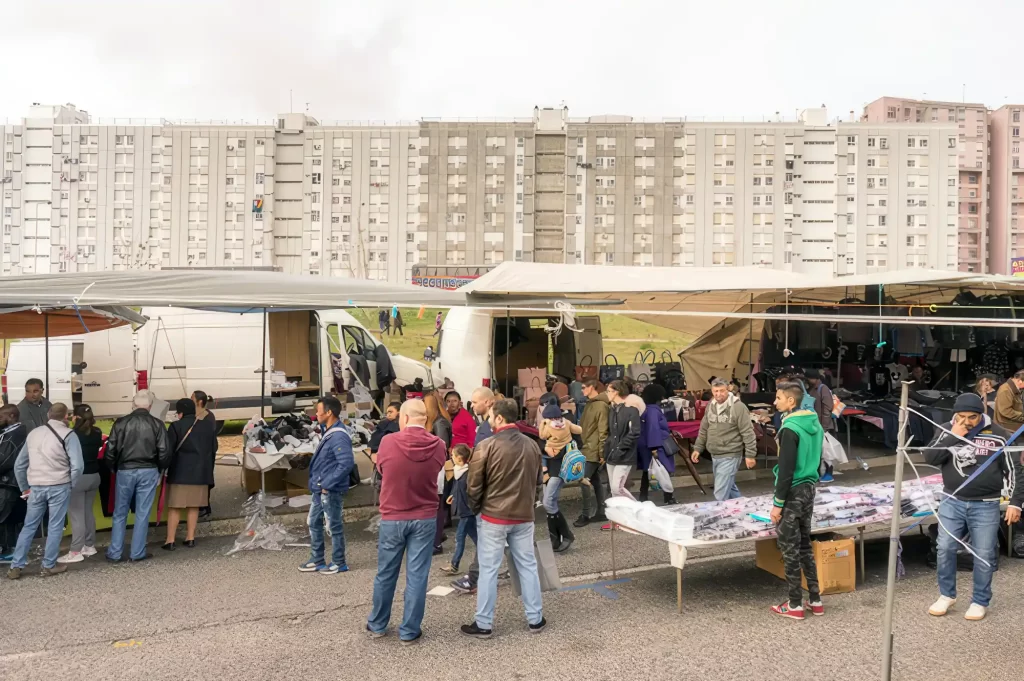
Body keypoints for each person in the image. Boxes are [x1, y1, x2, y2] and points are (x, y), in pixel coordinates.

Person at [924, 393, 1023, 621]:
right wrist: (952, 436)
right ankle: (946, 595)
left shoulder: (1000, 435)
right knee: (945, 547)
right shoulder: (946, 428)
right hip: (952, 500)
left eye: (972, 417)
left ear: (982, 414)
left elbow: (1015, 470)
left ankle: (980, 600)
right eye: (961, 416)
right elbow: (929, 457)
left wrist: (1015, 503)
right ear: (955, 415)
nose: (967, 421)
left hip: (986, 504)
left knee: (984, 553)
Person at [461, 398, 546, 638]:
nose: (488, 421)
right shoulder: (532, 445)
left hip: (494, 515)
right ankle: (535, 618)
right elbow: (538, 483)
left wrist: (477, 508)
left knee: (489, 569)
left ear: (499, 418)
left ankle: (484, 623)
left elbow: (474, 485)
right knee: (527, 566)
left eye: (490, 416)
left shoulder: (486, 445)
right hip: (524, 515)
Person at [367, 399, 446, 644]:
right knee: (417, 576)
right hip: (424, 517)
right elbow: (439, 467)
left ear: (403, 418)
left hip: (393, 515)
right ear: (426, 420)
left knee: (386, 573)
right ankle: (410, 629)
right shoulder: (439, 445)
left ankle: (378, 624)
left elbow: (382, 468)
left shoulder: (388, 442)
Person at [7, 403, 83, 579]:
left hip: (36, 487)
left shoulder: (33, 434)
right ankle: (48, 565)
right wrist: (72, 484)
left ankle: (16, 566)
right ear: (66, 416)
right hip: (59, 485)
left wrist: (24, 488)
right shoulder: (69, 434)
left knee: (29, 526)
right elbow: (77, 466)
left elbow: (20, 464)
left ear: (49, 415)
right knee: (55, 526)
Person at [769, 382, 824, 620]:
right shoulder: (815, 424)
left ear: (791, 402)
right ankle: (815, 599)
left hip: (792, 492)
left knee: (789, 548)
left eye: (778, 398)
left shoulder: (790, 429)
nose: (775, 402)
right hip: (810, 488)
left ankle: (794, 604)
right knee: (805, 545)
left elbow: (786, 470)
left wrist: (778, 504)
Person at [105, 390, 170, 563]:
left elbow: (110, 449)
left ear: (133, 405)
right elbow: (164, 451)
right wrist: (160, 470)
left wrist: (113, 468)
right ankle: (137, 552)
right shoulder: (157, 424)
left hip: (125, 470)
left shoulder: (120, 423)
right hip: (149, 470)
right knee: (143, 512)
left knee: (120, 512)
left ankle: (115, 552)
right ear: (149, 406)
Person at [298, 395, 354, 574]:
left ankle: (339, 562)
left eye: (318, 410)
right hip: (320, 488)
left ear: (329, 412)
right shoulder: (329, 431)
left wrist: (327, 484)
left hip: (329, 489)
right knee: (314, 522)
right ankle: (317, 559)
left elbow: (346, 463)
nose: (316, 413)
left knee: (333, 526)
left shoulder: (338, 436)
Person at [162, 399, 218, 551]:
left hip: (180, 472)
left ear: (180, 413)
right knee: (193, 506)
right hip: (201, 473)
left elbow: (168, 450)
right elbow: (214, 448)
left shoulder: (175, 426)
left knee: (175, 507)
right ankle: (190, 538)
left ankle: (170, 540)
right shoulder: (208, 426)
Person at [691, 378, 757, 501]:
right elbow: (704, 428)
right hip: (715, 454)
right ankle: (741, 510)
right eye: (715, 391)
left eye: (722, 391)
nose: (718, 394)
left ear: (729, 389)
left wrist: (750, 455)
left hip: (731, 454)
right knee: (729, 487)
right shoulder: (711, 405)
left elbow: (748, 432)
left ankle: (718, 517)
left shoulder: (738, 407)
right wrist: (697, 448)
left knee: (720, 492)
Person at [57, 405, 104, 563]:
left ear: (75, 417)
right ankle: (89, 546)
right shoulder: (97, 432)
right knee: (87, 512)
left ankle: (76, 551)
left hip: (79, 477)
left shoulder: (72, 434)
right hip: (94, 476)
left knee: (76, 515)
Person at [538, 402, 581, 552]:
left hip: (559, 467)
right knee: (550, 501)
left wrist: (556, 449)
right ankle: (555, 540)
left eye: (543, 404)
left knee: (548, 502)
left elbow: (577, 442)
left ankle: (566, 534)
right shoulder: (548, 423)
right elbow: (541, 441)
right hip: (548, 468)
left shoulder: (562, 422)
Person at [575, 379, 610, 528]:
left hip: (592, 448)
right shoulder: (592, 403)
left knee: (583, 480)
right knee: (594, 480)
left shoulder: (600, 405)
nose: (582, 390)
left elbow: (603, 431)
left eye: (584, 387)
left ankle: (586, 514)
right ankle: (601, 511)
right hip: (588, 447)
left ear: (592, 387)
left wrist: (602, 453)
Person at [637, 384, 677, 505]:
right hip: (657, 444)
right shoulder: (654, 410)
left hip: (645, 443)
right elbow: (653, 428)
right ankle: (668, 496)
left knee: (647, 470)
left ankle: (643, 496)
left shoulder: (645, 408)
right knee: (663, 470)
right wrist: (654, 447)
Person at [440, 444, 477, 574]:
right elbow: (458, 488)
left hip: (467, 511)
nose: (451, 458)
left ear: (459, 458)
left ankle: (454, 565)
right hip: (466, 511)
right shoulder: (459, 471)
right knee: (477, 539)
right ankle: (486, 559)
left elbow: (469, 492)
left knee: (460, 537)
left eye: (453, 456)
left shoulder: (466, 474)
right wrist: (452, 495)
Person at [604, 380, 641, 504]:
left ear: (617, 392)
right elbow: (610, 432)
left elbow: (635, 432)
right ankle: (620, 520)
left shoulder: (632, 410)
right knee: (614, 490)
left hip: (625, 455)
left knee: (617, 487)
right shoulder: (612, 410)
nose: (607, 393)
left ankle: (637, 509)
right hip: (611, 453)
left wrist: (621, 448)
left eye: (609, 391)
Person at [0, 405, 27, 562]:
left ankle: (9, 549)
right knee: (7, 519)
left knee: (4, 516)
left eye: (1, 417)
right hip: (9, 482)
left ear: (11, 416)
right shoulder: (10, 433)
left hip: (8, 482)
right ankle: (8, 549)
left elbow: (3, 461)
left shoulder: (14, 436)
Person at [805, 369, 838, 483]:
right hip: (816, 426)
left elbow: (827, 408)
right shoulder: (811, 389)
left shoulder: (822, 388)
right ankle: (818, 473)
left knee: (827, 452)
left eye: (809, 379)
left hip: (825, 426)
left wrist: (824, 426)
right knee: (818, 452)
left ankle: (829, 473)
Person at [191, 390, 216, 518]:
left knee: (204, 480)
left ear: (199, 402)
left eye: (192, 399)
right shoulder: (197, 414)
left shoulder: (207, 416)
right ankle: (202, 505)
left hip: (206, 453)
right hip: (200, 453)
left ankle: (205, 506)